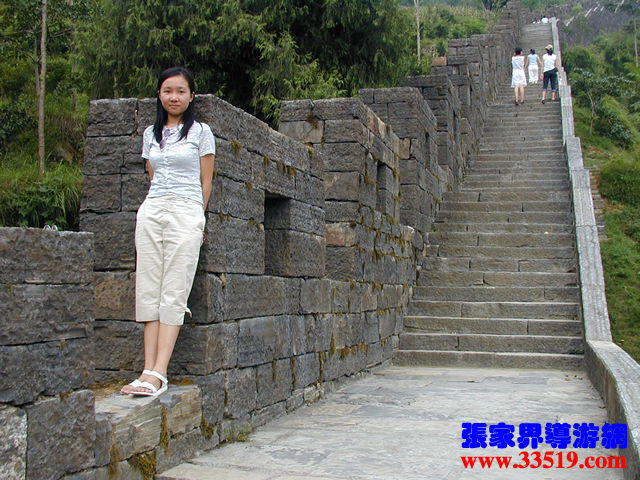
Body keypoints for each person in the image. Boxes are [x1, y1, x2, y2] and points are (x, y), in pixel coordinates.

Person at [120, 67, 216, 397]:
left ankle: (160, 373)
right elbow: (153, 175)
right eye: (167, 91)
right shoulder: (151, 133)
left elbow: (206, 181)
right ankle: (146, 370)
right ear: (159, 95)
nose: (174, 97)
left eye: (180, 91)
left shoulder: (201, 132)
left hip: (186, 211)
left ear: (191, 96)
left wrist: (199, 219)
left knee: (174, 290)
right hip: (152, 211)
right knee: (149, 288)